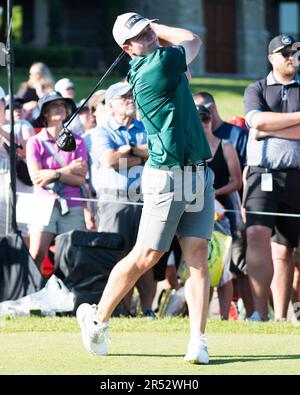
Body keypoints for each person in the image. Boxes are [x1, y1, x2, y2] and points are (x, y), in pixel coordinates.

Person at [76, 12, 215, 364]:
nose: (148, 36)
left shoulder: (161, 61)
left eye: (148, 30)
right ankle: (97, 319)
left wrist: (152, 30)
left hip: (198, 171)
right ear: (127, 47)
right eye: (140, 34)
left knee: (198, 255)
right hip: (168, 176)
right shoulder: (157, 66)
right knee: (147, 255)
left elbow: (187, 54)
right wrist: (160, 25)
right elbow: (193, 39)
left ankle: (197, 340)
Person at [243, 33, 300, 321]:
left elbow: (264, 126)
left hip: (296, 175)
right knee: (256, 234)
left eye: (294, 52)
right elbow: (256, 121)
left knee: (285, 248)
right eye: (284, 52)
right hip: (262, 172)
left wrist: (269, 128)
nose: (291, 56)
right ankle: (258, 312)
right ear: (271, 58)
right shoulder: (258, 88)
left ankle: (280, 317)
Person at [90, 81, 156, 317]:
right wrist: (137, 153)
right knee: (115, 255)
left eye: (131, 96)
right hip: (114, 201)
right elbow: (109, 160)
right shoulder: (101, 132)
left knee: (146, 254)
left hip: (144, 199)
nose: (130, 100)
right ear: (110, 105)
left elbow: (155, 154)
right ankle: (119, 309)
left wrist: (127, 151)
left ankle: (148, 310)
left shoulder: (144, 127)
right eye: (123, 97)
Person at [26, 91, 88, 269]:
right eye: (54, 105)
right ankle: (31, 293)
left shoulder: (77, 140)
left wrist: (53, 174)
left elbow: (80, 180)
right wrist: (67, 170)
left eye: (63, 104)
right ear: (44, 113)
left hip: (72, 204)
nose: (60, 108)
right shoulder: (34, 142)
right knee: (36, 254)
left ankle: (68, 295)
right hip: (43, 204)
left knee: (72, 258)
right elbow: (37, 178)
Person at [197, 105, 242, 319]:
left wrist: (213, 193)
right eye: (197, 119)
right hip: (195, 210)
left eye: (205, 118)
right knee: (198, 266)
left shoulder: (226, 146)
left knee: (224, 268)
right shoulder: (189, 146)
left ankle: (224, 317)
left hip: (222, 213)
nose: (202, 123)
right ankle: (200, 316)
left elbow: (237, 181)